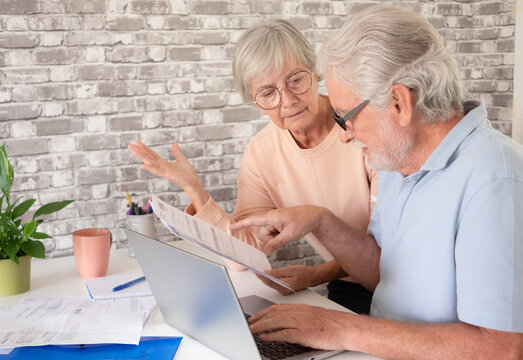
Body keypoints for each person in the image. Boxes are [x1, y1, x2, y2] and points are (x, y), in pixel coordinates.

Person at [230, 5, 523, 359]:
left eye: (348, 117)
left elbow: (502, 348)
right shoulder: (399, 162)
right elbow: (382, 271)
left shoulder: (495, 179)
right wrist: (320, 220)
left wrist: (338, 328)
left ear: (399, 102)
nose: (344, 135)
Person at [128, 19, 378, 313]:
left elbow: (386, 250)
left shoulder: (361, 126)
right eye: (268, 93)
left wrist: (315, 274)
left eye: (295, 80)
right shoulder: (262, 153)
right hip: (350, 286)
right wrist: (195, 190)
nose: (287, 101)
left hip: (398, 278)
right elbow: (242, 253)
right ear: (255, 102)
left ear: (315, 73)